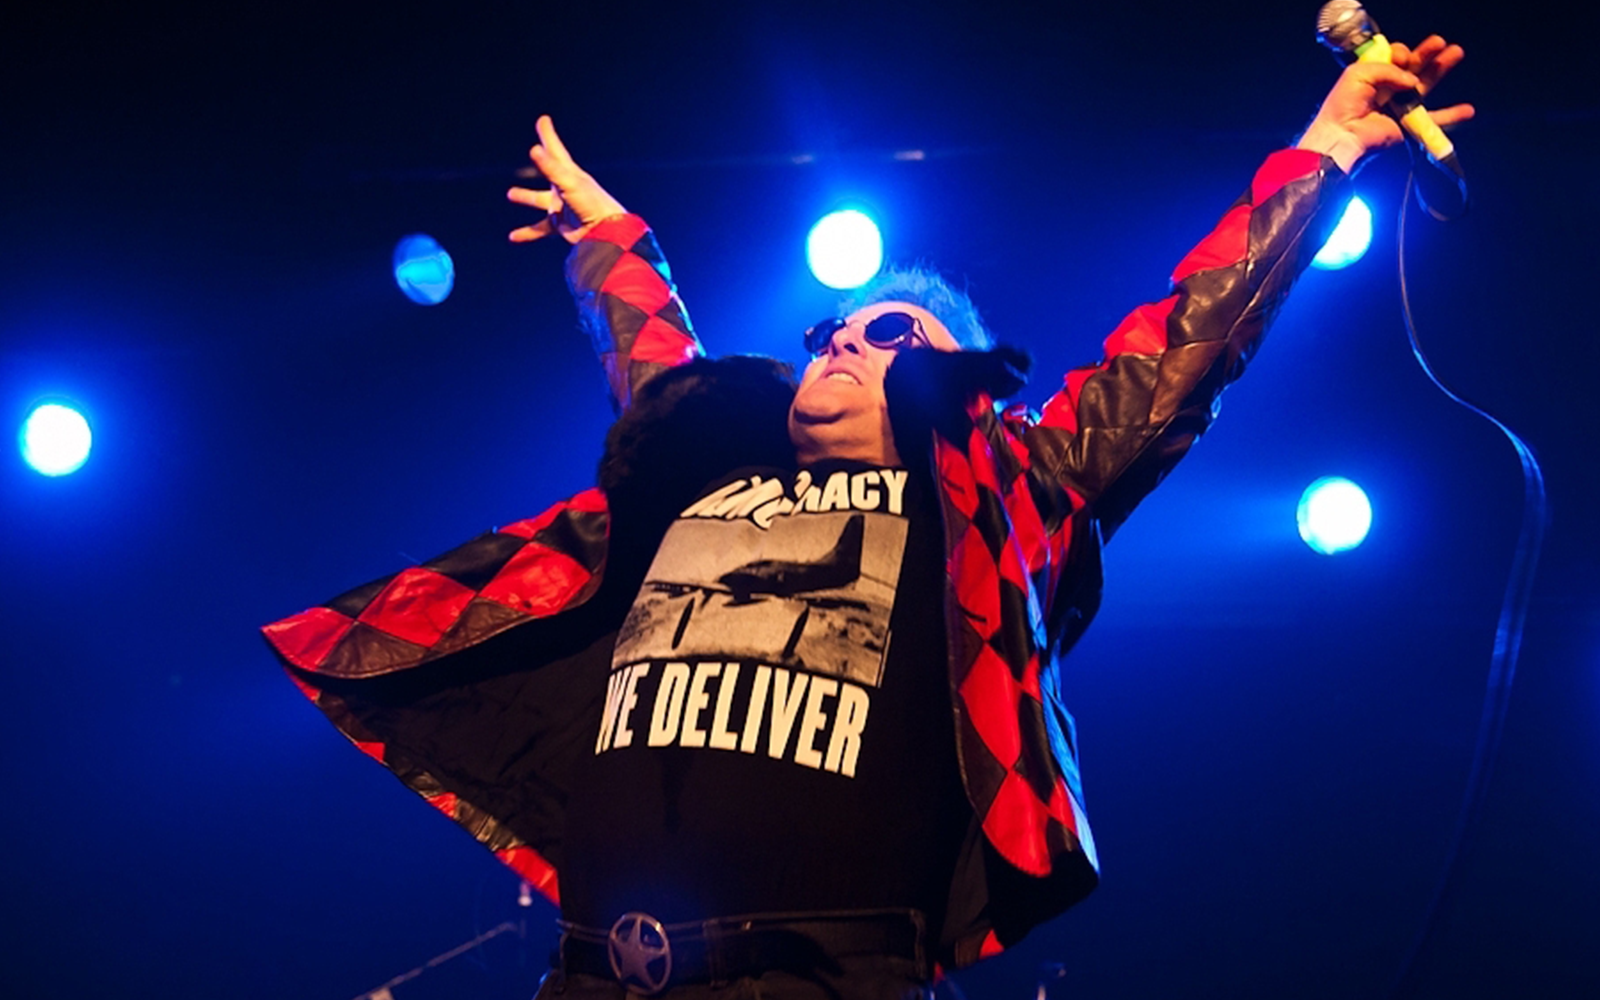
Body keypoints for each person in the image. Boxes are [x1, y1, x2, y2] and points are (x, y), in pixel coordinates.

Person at [264, 38, 1470, 1000]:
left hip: (820, 979)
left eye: (892, 331)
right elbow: (659, 363)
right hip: (592, 976)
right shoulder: (708, 471)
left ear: (959, 386)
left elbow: (1178, 349)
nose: (843, 337)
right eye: (830, 329)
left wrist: (1325, 146)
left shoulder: (997, 495)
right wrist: (605, 240)